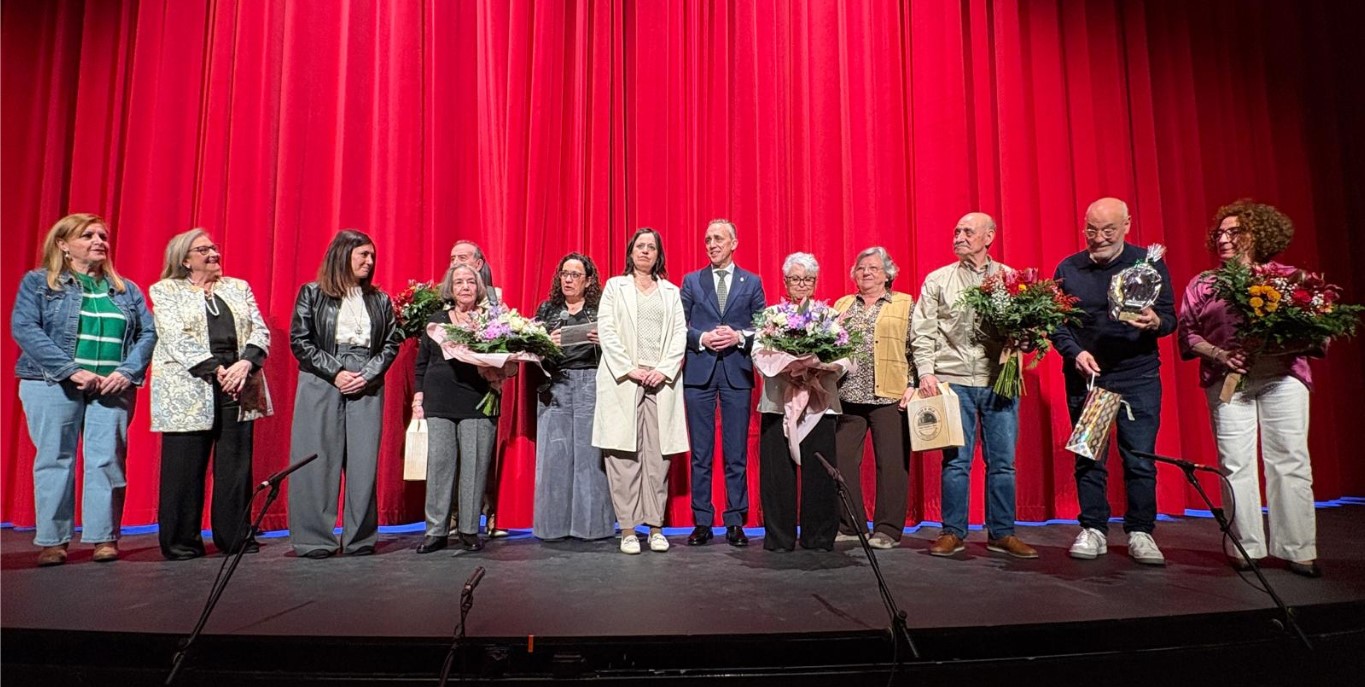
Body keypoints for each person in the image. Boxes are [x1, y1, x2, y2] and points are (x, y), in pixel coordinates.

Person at [1177, 200, 1322, 577]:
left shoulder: (1292, 279)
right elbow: (1188, 333)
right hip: (1228, 380)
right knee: (1234, 462)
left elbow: (1317, 333)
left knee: (1289, 458)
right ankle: (1246, 546)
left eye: (1234, 232)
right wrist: (1221, 354)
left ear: (1258, 235)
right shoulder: (1203, 283)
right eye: (1220, 233)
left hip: (1282, 377)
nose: (1223, 239)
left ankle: (1298, 548)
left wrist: (1270, 346)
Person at [12, 213, 156, 566]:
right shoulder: (40, 283)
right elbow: (25, 328)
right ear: (63, 244)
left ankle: (104, 538)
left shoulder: (125, 289)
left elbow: (148, 333)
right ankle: (53, 541)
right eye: (88, 235)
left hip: (112, 386)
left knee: (107, 459)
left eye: (102, 236)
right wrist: (71, 371)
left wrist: (126, 372)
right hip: (53, 383)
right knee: (55, 458)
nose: (98, 242)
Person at [1051, 197, 1175, 566]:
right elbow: (1055, 322)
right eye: (1091, 230)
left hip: (1138, 376)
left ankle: (1140, 531)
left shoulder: (1147, 264)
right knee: (1089, 458)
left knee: (1139, 459)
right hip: (1091, 380)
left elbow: (1169, 317)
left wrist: (1155, 322)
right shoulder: (1068, 268)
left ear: (1126, 226)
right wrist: (1075, 353)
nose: (1099, 237)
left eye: (1108, 230)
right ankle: (1093, 528)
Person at [911, 213, 1037, 559]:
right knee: (956, 462)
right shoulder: (938, 279)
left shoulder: (1011, 279)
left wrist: (1027, 338)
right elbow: (923, 331)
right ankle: (952, 532)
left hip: (998, 381)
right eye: (956, 231)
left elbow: (1027, 329)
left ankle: (1002, 533)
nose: (959, 236)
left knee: (1003, 463)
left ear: (989, 237)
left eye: (968, 231)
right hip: (954, 382)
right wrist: (926, 372)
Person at [150, 229, 272, 560]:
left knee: (235, 466)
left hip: (239, 383)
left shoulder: (238, 287)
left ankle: (234, 537)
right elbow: (174, 337)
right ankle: (181, 542)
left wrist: (245, 364)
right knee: (184, 468)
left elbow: (260, 329)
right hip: (190, 385)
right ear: (185, 260)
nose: (213, 254)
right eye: (203, 250)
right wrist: (218, 370)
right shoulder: (166, 290)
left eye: (214, 247)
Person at [287, 230, 403, 558]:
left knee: (363, 460)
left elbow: (392, 342)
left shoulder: (380, 300)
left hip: (366, 377)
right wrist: (336, 372)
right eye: (363, 255)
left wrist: (367, 374)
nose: (370, 261)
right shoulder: (312, 293)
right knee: (317, 457)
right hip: (322, 376)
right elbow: (300, 340)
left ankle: (360, 538)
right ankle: (313, 539)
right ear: (342, 255)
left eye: (372, 256)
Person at [593, 228, 689, 555]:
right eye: (640, 246)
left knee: (658, 457)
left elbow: (679, 335)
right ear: (631, 252)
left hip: (661, 382)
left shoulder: (671, 292)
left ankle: (656, 528)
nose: (645, 251)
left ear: (658, 255)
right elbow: (607, 331)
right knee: (623, 457)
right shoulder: (614, 287)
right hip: (624, 380)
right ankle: (628, 530)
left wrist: (663, 369)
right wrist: (629, 368)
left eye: (651, 247)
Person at [680, 219, 767, 547]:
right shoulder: (692, 281)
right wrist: (701, 338)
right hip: (699, 374)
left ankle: (735, 521)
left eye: (718, 239)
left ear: (734, 243)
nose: (712, 245)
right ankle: (702, 521)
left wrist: (739, 336)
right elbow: (678, 325)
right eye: (708, 240)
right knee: (700, 453)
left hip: (736, 373)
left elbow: (764, 326)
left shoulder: (752, 282)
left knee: (736, 453)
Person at [753, 252, 844, 552]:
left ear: (816, 282)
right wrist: (789, 367)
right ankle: (779, 538)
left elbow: (846, 356)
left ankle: (818, 537)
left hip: (820, 404)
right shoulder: (771, 316)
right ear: (785, 281)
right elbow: (758, 353)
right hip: (778, 402)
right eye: (795, 278)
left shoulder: (829, 316)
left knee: (821, 473)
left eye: (808, 279)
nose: (802, 284)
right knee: (777, 473)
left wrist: (821, 366)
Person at [411, 264, 501, 553]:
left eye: (470, 282)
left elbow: (504, 361)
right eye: (459, 282)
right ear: (450, 289)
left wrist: (498, 370)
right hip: (439, 401)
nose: (465, 287)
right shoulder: (436, 321)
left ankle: (469, 530)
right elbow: (422, 364)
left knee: (474, 467)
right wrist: (418, 397)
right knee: (439, 466)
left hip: (478, 400)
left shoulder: (491, 322)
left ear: (479, 287)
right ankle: (435, 532)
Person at [833, 246, 916, 550]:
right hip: (847, 394)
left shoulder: (905, 303)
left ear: (887, 274)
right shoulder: (842, 304)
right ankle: (851, 524)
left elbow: (917, 346)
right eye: (861, 268)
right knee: (841, 460)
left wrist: (913, 384)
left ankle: (887, 529)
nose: (866, 272)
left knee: (891, 464)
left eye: (873, 268)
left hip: (890, 395)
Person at [532, 253, 615, 541]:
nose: (568, 280)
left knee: (589, 456)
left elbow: (621, 345)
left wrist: (604, 341)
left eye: (575, 275)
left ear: (588, 281)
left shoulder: (600, 310)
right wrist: (545, 342)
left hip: (591, 382)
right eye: (564, 274)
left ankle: (592, 527)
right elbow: (529, 347)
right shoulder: (547, 309)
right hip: (555, 384)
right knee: (554, 455)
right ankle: (552, 527)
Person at [448, 238, 505, 536]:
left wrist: (494, 368)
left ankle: (491, 511)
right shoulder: (445, 299)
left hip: (486, 389)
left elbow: (506, 341)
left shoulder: (495, 301)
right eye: (452, 258)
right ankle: (454, 514)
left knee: (485, 454)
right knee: (453, 456)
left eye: (463, 257)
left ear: (479, 264)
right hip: (452, 386)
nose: (456, 262)